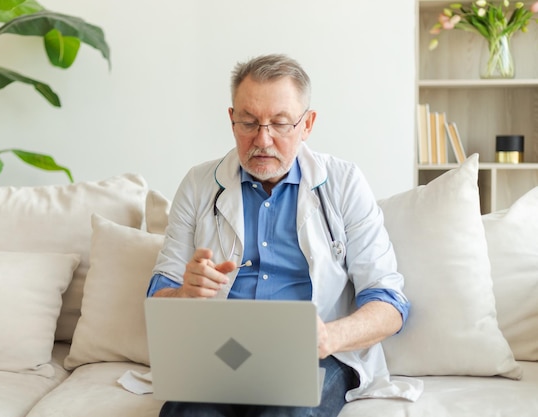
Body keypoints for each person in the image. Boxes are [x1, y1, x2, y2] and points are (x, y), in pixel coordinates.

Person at [146, 54, 417, 417]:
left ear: (307, 125)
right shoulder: (198, 185)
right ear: (231, 120)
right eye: (249, 122)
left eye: (280, 123)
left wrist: (329, 337)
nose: (263, 139)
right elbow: (158, 298)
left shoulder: (344, 183)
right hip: (221, 353)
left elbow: (389, 304)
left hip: (314, 356)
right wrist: (185, 293)